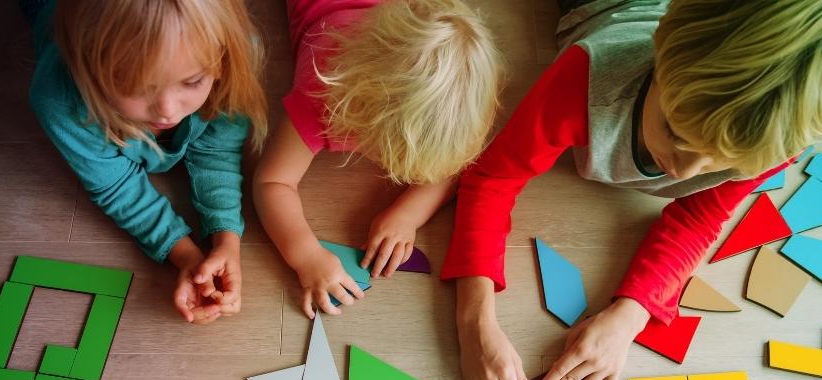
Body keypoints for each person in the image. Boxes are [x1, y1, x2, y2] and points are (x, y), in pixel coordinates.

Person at [443, 0, 822, 380]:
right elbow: (493, 178)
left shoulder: (771, 141)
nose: (683, 171)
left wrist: (632, 313)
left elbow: (701, 215)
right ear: (660, 56)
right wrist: (473, 321)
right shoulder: (587, 76)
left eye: (721, 163)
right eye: (675, 133)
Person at [254, 0, 502, 318]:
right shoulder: (321, 98)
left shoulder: (461, 110)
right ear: (367, 121)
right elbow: (271, 182)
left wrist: (408, 214)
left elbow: (452, 166)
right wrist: (307, 257)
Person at [28, 0, 268, 324]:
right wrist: (183, 254)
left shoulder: (238, 53)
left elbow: (217, 150)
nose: (167, 110)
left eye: (192, 81)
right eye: (137, 88)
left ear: (222, 60)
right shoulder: (59, 99)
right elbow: (116, 186)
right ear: (90, 73)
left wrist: (226, 239)